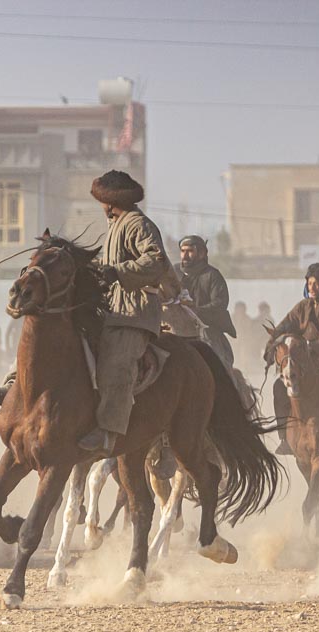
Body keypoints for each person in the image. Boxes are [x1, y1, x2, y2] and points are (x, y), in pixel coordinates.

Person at [79, 170, 175, 456]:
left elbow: (156, 260)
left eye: (102, 200)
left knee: (115, 365)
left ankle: (108, 431)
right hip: (109, 310)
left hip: (133, 313)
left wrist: (118, 272)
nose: (101, 205)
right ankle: (12, 389)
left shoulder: (138, 224)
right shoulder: (115, 227)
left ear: (110, 200)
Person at [268, 263, 319, 455]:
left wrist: (311, 349)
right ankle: (284, 438)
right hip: (308, 362)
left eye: (316, 283)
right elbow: (285, 325)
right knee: (280, 387)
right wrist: (273, 341)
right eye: (309, 282)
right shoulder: (302, 306)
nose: (311, 287)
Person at [174, 235, 237, 367]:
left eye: (190, 251)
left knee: (218, 364)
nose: (185, 256)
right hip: (176, 326)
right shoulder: (174, 273)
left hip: (207, 328)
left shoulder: (212, 275)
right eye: (183, 251)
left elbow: (220, 303)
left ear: (202, 253)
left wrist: (194, 311)